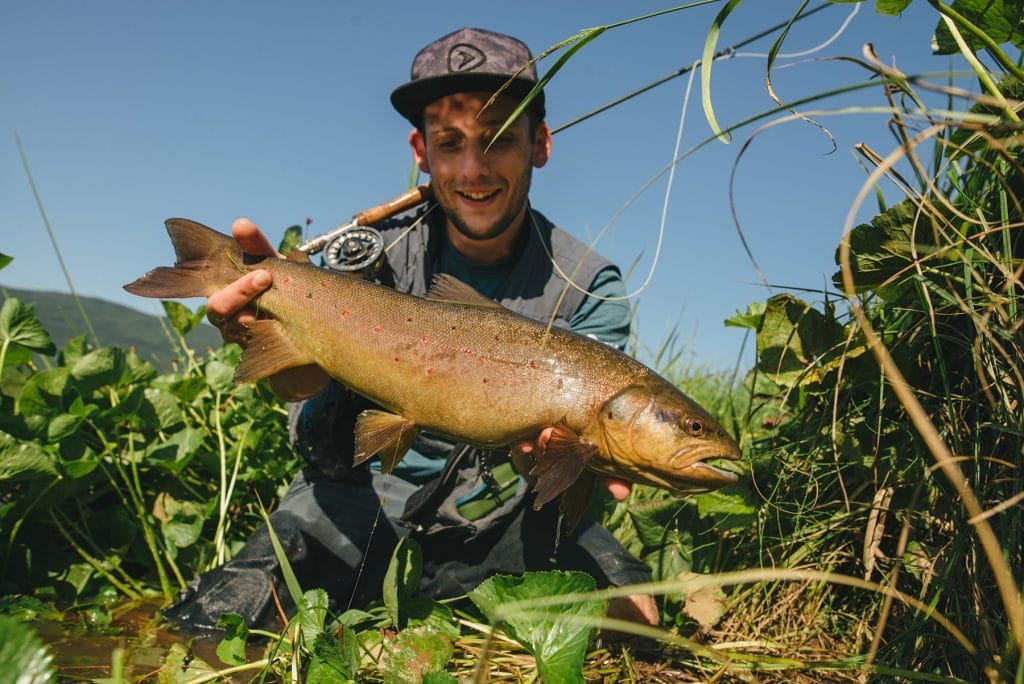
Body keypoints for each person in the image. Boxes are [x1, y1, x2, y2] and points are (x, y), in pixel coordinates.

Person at [163, 27, 658, 634]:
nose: (474, 168)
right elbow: (317, 443)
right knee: (212, 625)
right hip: (363, 507)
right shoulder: (370, 261)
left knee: (640, 622)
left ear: (541, 143)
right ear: (421, 152)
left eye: (500, 139)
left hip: (507, 514)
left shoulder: (588, 282)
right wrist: (294, 364)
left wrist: (553, 467)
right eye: (451, 143)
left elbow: (593, 456)